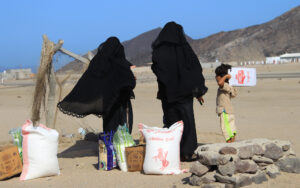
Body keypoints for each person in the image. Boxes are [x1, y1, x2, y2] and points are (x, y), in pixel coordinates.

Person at [151, 21, 208, 161]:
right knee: (187, 122)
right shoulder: (185, 49)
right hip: (184, 95)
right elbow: (194, 70)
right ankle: (188, 152)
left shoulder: (159, 50)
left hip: (167, 95)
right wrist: (198, 92)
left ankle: (173, 152)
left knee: (172, 124)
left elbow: (157, 69)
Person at [57, 37, 136, 133]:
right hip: (119, 102)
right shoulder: (120, 63)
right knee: (120, 125)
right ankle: (118, 145)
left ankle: (109, 143)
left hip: (106, 101)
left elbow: (89, 80)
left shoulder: (98, 61)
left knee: (109, 124)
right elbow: (130, 82)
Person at [215, 64, 237, 143]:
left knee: (226, 130)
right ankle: (232, 144)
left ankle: (230, 144)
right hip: (230, 111)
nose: (215, 77)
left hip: (224, 111)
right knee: (231, 129)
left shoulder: (225, 85)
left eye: (217, 75)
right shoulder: (230, 86)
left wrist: (226, 76)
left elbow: (220, 83)